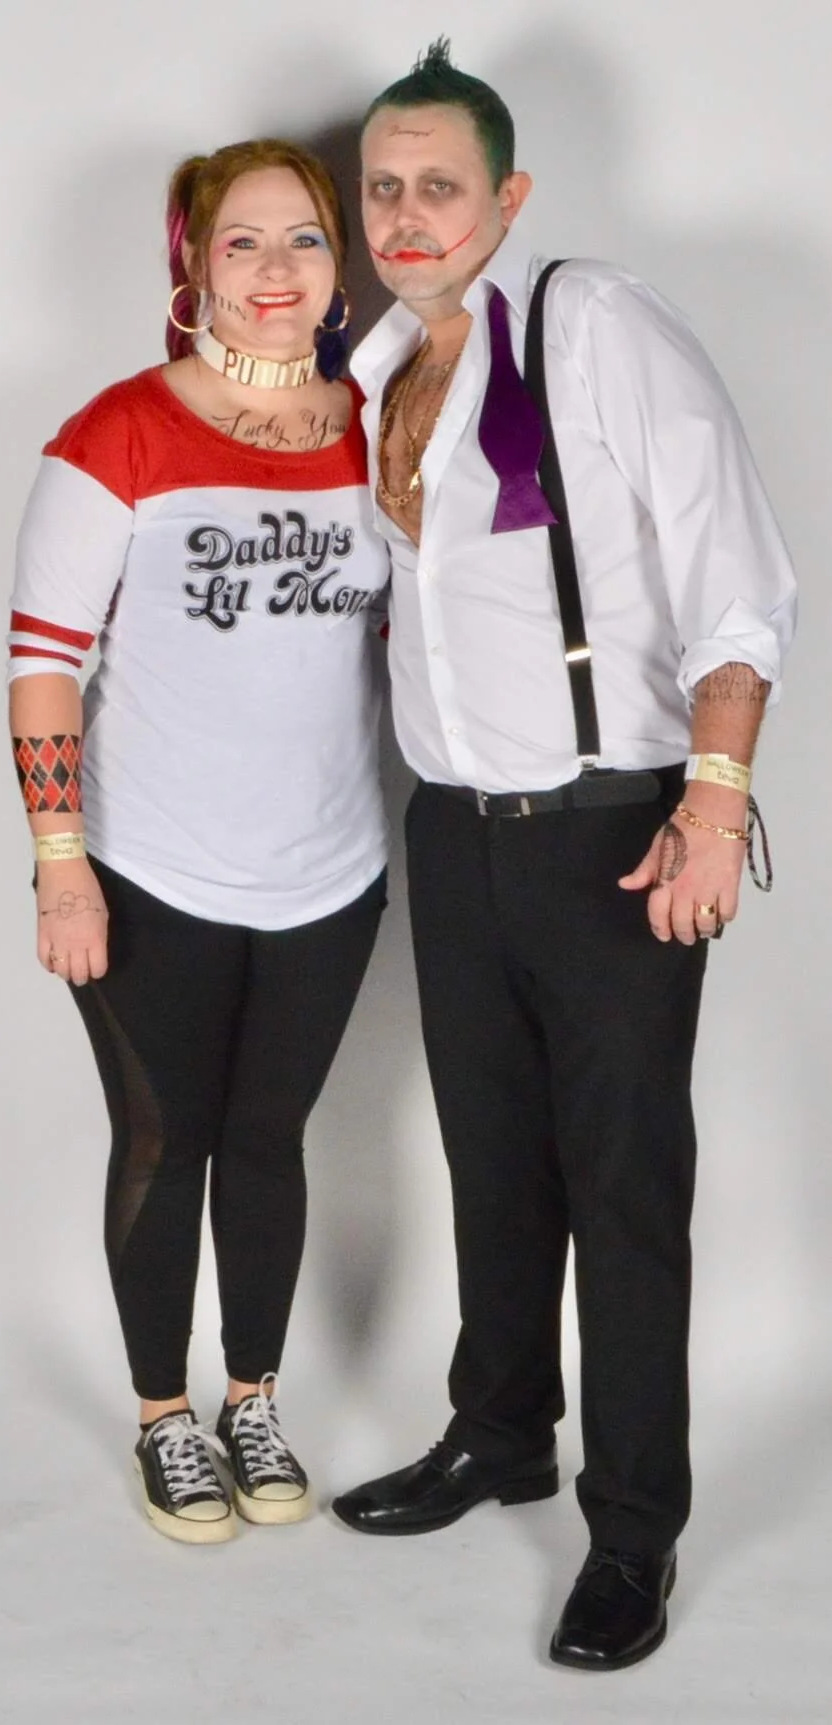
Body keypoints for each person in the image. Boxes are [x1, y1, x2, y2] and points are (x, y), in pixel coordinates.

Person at [331, 42, 796, 1670]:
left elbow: (740, 583)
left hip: (612, 831)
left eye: (436, 186)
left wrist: (712, 804)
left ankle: (633, 1529)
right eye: (380, 189)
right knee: (492, 1158)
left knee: (623, 1187)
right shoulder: (379, 362)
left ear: (507, 195)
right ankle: (499, 1432)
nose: (404, 215)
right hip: (451, 831)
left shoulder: (593, 325)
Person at [8, 138, 390, 1545]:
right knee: (166, 1139)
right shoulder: (117, 432)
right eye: (243, 241)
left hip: (332, 871)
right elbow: (43, 661)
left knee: (270, 1138)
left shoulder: (380, 428)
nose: (276, 269)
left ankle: (253, 1399)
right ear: (193, 266)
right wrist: (62, 866)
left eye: (305, 239)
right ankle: (165, 1417)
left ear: (339, 268)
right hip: (148, 869)